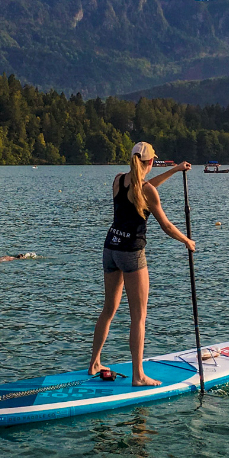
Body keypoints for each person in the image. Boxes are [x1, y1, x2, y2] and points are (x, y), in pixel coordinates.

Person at [88, 142, 195, 386]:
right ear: (149, 163)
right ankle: (138, 376)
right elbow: (166, 226)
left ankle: (94, 362)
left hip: (110, 248)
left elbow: (144, 188)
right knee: (139, 316)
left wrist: (175, 170)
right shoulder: (146, 191)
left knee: (109, 309)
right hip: (132, 253)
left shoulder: (118, 180)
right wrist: (187, 241)